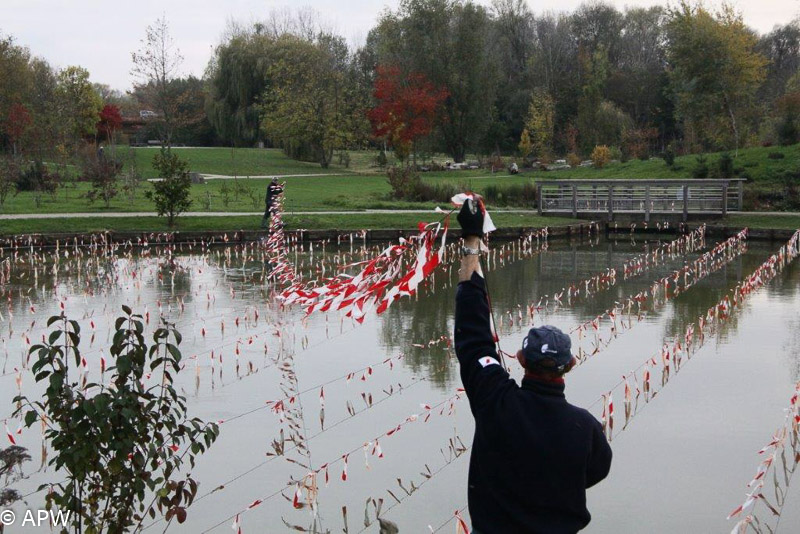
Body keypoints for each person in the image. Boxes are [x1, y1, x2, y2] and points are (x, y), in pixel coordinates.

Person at [454, 196, 612, 534]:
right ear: (569, 365)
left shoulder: (495, 400)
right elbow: (596, 471)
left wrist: (472, 240)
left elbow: (472, 335)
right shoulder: (585, 430)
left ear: (521, 359)